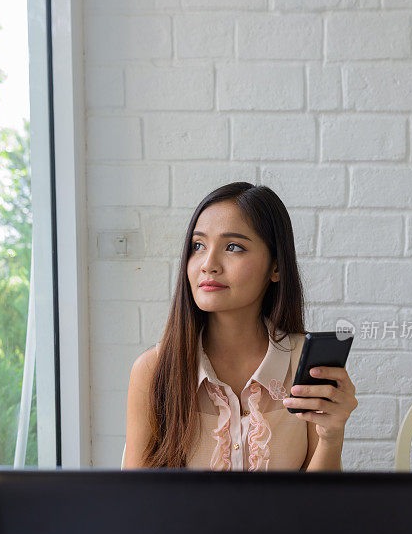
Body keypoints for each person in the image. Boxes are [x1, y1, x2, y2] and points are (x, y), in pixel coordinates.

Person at [124, 182, 357, 471]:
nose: (208, 264)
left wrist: (331, 437)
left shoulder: (304, 365)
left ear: (276, 267)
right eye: (198, 246)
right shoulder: (153, 370)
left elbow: (321, 507)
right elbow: (133, 502)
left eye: (233, 247)